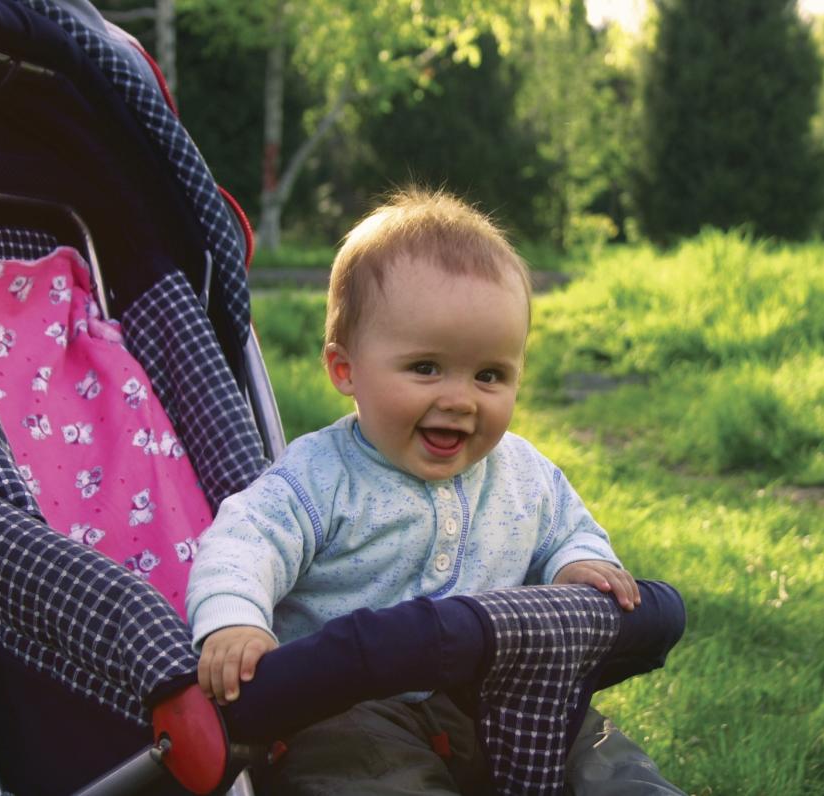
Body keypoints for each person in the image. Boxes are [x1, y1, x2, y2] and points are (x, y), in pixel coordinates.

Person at [186, 188, 685, 794]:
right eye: (426, 368)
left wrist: (580, 566)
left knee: (599, 753)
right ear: (346, 370)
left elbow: (567, 532)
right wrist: (236, 622)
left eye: (489, 375)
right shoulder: (319, 477)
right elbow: (244, 542)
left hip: (502, 691)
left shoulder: (523, 474)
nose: (459, 399)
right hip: (348, 708)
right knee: (362, 773)